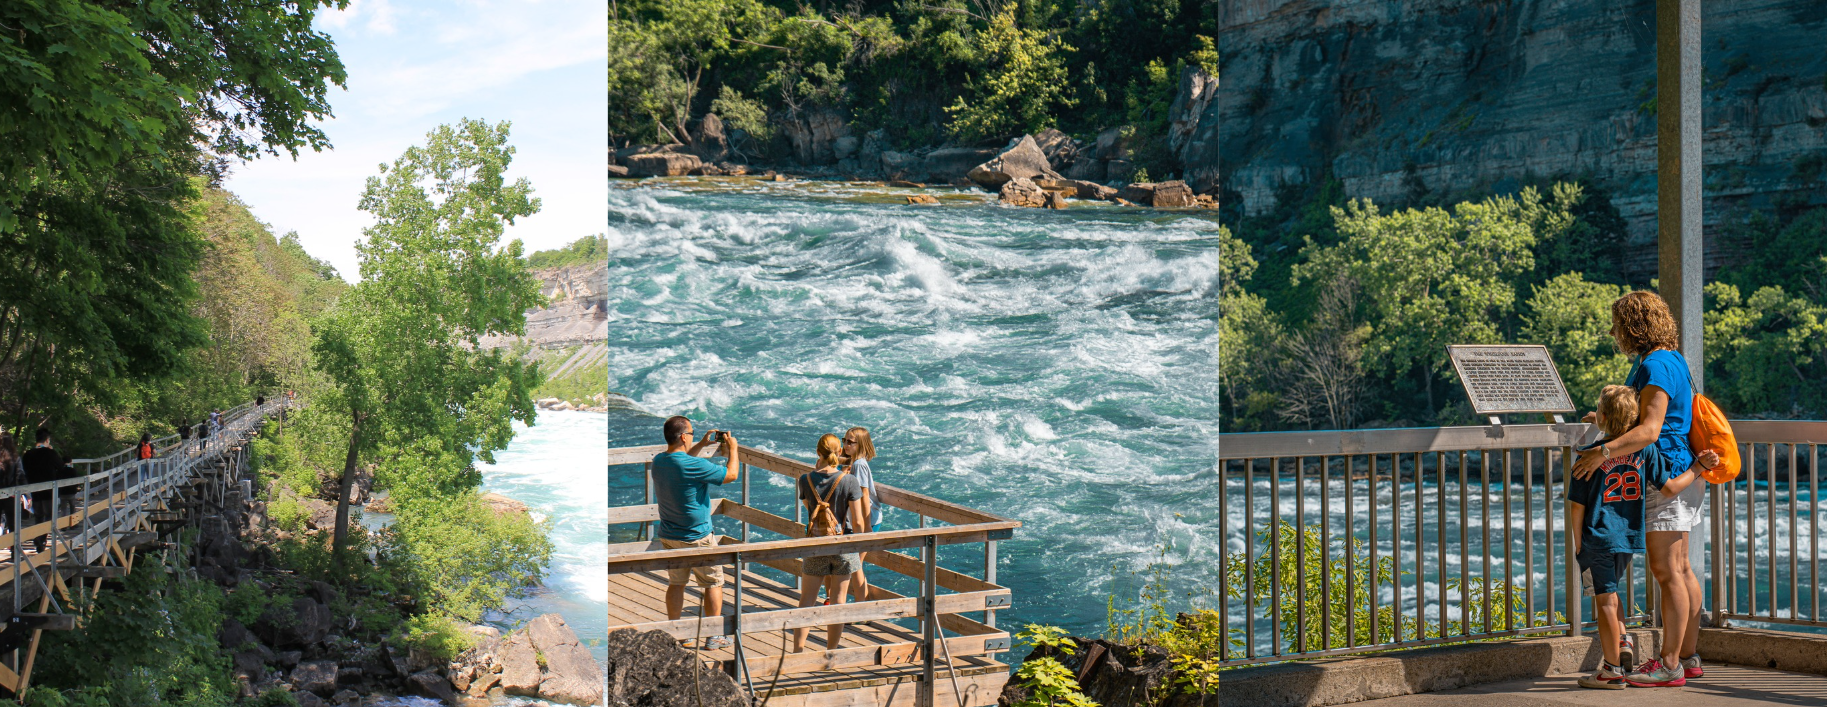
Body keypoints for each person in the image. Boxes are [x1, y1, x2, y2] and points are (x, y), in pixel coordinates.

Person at [1572, 291, 1706, 687]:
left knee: (1668, 573)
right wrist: (1606, 418)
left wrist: (1603, 452)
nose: (1613, 332)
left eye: (1617, 324)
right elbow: (1644, 418)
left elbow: (1649, 430)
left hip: (1663, 474)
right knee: (1681, 570)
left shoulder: (1657, 365)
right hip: (1679, 470)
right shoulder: (1668, 358)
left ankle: (1668, 666)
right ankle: (1688, 656)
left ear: (1633, 325)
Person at [650, 415, 740, 650]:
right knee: (713, 583)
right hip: (698, 537)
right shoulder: (693, 466)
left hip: (670, 536)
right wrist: (733, 449)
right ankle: (713, 637)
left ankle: (676, 633)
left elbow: (682, 462)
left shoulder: (660, 461)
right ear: (682, 437)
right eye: (690, 433)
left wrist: (700, 444)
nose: (691, 436)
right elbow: (730, 475)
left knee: (676, 583)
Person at [792, 433, 865, 653]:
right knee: (838, 600)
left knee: (807, 600)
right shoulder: (850, 480)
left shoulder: (805, 479)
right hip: (843, 546)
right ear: (839, 452)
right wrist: (861, 545)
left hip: (816, 545)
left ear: (818, 453)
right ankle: (831, 650)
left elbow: (809, 509)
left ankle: (798, 649)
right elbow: (859, 520)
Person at [841, 426, 880, 602]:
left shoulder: (859, 465)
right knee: (854, 565)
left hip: (867, 521)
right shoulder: (854, 463)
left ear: (861, 445)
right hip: (864, 521)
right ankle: (859, 606)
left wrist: (866, 527)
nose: (846, 445)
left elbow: (864, 496)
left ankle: (861, 608)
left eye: (850, 442)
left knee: (855, 565)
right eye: (844, 440)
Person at [21, 429, 70, 553]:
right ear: (47, 440)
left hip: (34, 490)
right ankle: (40, 538)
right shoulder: (50, 453)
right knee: (49, 515)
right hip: (49, 490)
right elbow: (62, 467)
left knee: (38, 516)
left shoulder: (28, 454)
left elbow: (24, 470)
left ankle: (40, 542)